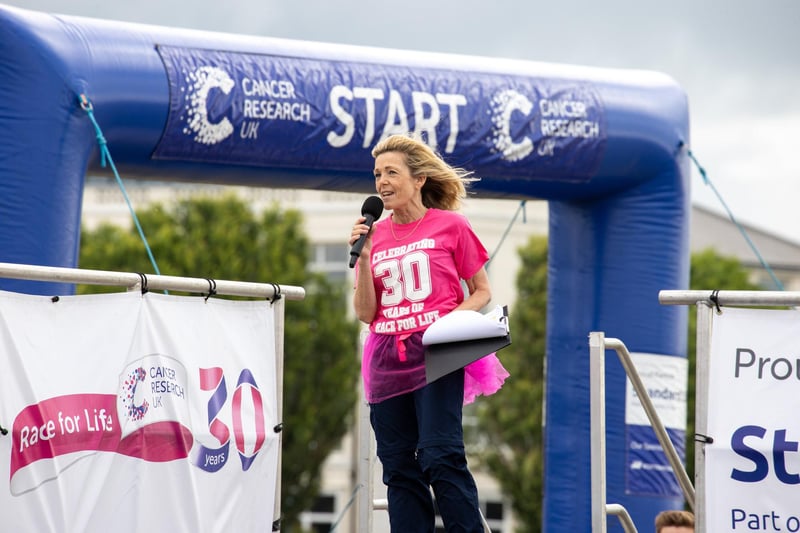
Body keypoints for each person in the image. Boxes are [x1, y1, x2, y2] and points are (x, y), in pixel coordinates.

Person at [349, 133, 509, 532]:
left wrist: (444, 323)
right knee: (400, 468)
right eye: (377, 174)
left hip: (437, 354)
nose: (382, 182)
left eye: (391, 172)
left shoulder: (451, 225)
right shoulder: (373, 235)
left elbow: (482, 292)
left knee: (440, 456)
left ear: (418, 179)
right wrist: (365, 257)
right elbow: (366, 313)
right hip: (386, 359)